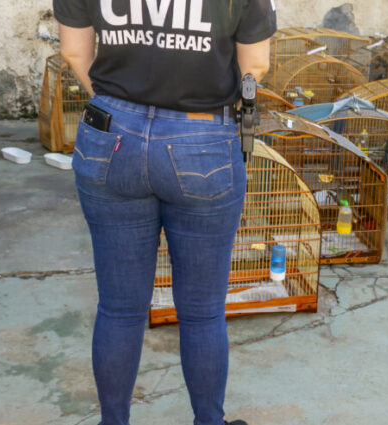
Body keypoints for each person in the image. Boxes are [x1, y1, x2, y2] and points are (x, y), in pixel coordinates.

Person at [53, 0, 275, 424]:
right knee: (203, 311)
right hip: (203, 134)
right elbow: (255, 66)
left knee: (119, 308)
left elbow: (73, 51)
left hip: (112, 131)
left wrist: (119, 107)